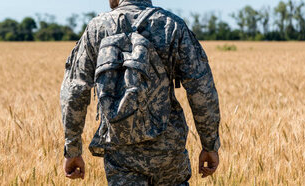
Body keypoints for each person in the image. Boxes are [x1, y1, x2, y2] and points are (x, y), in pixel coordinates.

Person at [59, 0, 221, 185]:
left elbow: (74, 92)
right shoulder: (172, 26)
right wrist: (210, 145)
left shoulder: (97, 28)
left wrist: (72, 150)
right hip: (168, 151)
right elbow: (202, 89)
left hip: (120, 152)